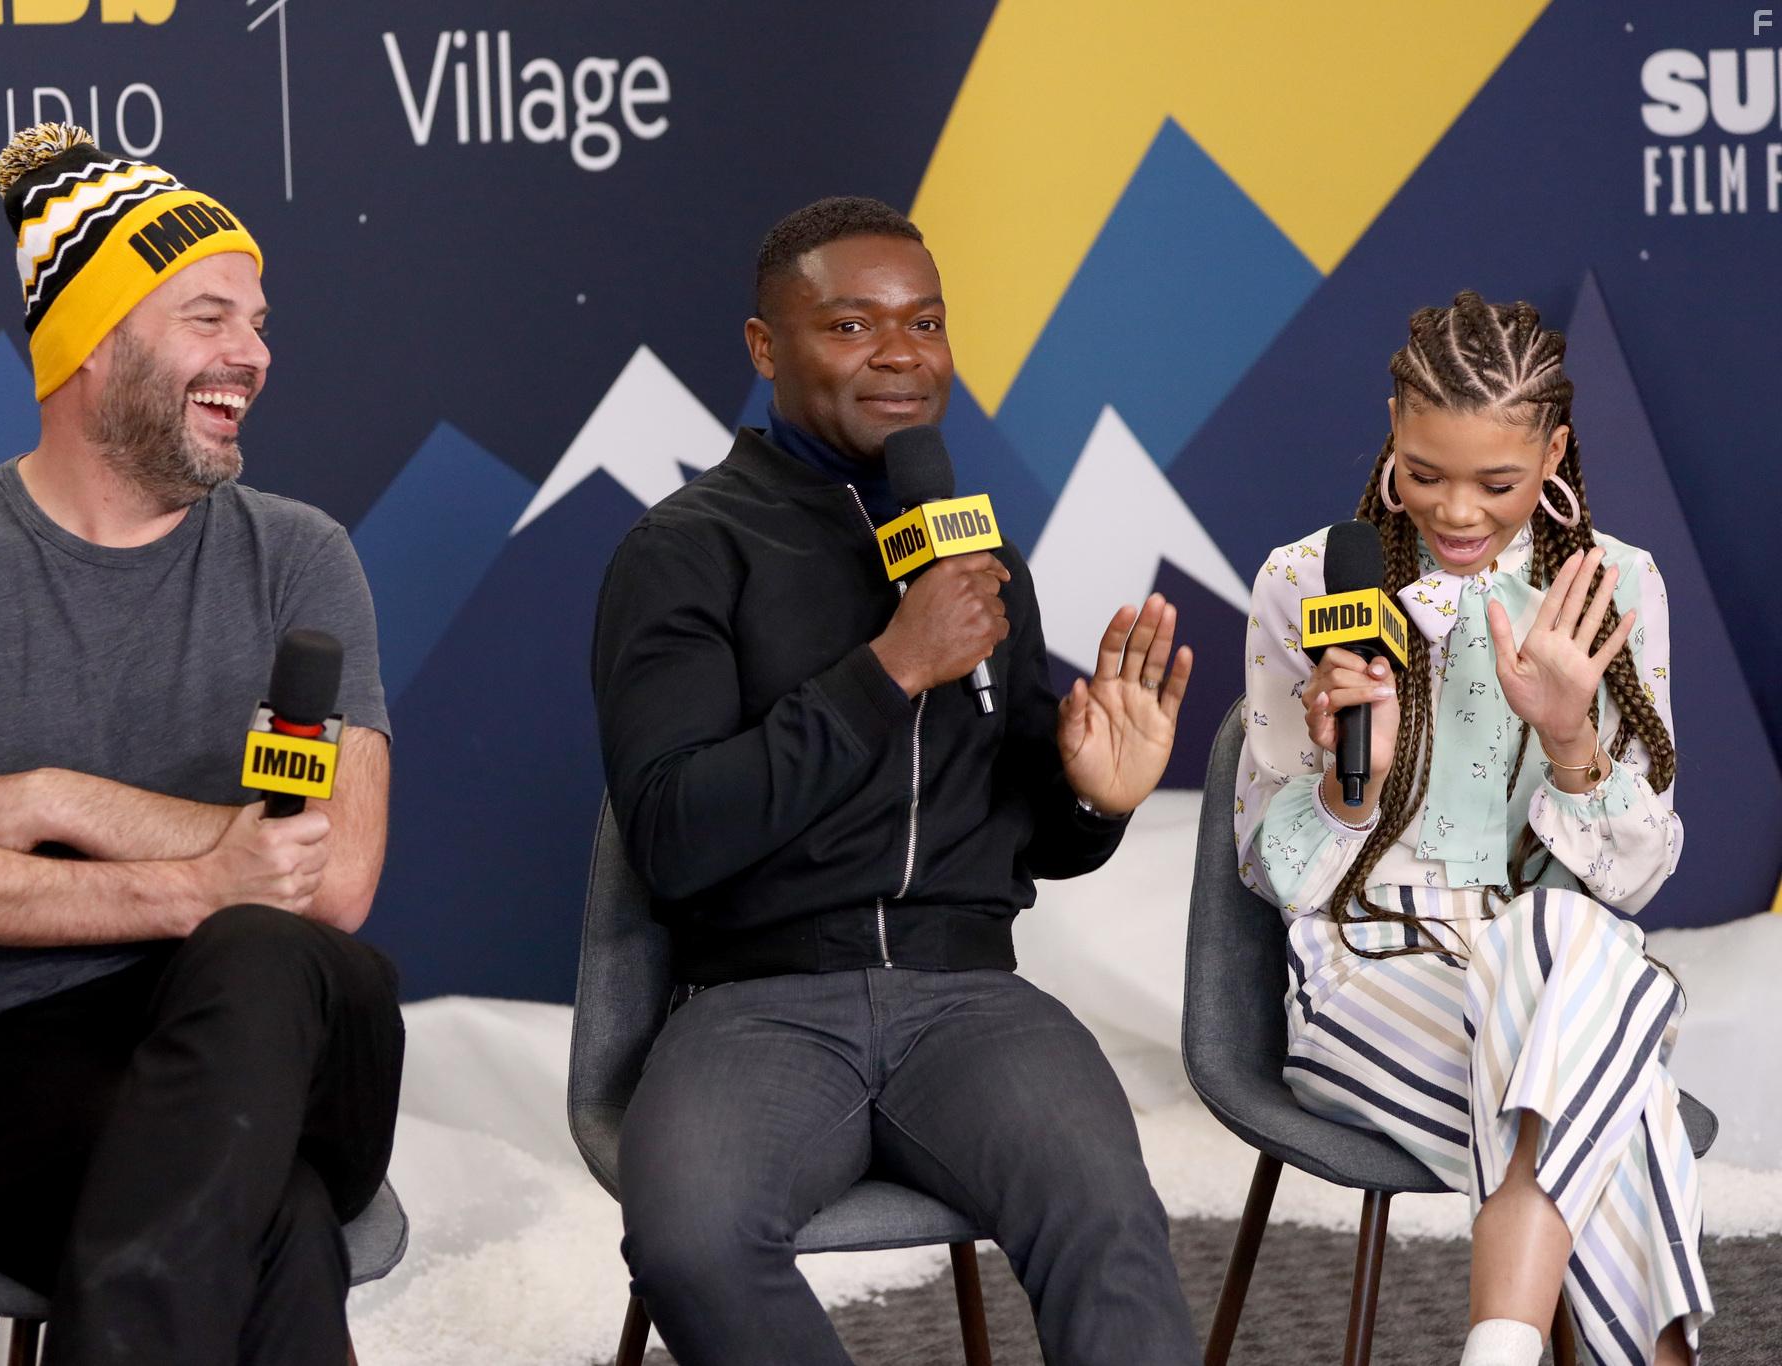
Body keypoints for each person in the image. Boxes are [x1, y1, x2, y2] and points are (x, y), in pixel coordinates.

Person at [0, 124, 402, 1365]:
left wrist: (47, 800)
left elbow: (328, 876)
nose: (255, 352)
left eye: (258, 319)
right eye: (208, 317)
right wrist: (200, 875)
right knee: (271, 1216)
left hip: (300, 1044)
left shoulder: (301, 557)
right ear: (88, 346)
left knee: (260, 950)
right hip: (16, 1078)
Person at [590, 196, 1199, 1365]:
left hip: (968, 1000)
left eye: (923, 322)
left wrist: (1093, 798)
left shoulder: (974, 553)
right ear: (768, 349)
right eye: (852, 326)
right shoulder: (684, 549)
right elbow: (670, 832)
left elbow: (1033, 834)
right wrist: (889, 667)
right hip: (754, 1007)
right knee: (690, 1242)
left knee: (1111, 1221)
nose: (901, 356)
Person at [1236, 291, 1711, 1366]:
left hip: (1548, 965)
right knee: (1616, 1086)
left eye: (1495, 483)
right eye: (1422, 473)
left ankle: (1495, 1343)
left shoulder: (1615, 585)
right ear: (1391, 426)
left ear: (1552, 451)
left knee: (1565, 940)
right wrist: (1350, 782)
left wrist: (1569, 738)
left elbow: (1629, 878)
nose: (1455, 512)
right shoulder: (1301, 582)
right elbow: (1274, 872)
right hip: (1364, 967)